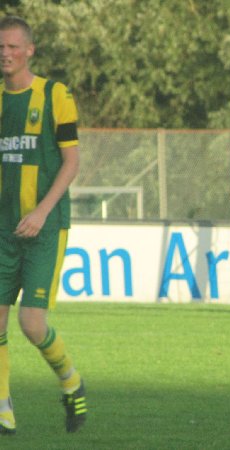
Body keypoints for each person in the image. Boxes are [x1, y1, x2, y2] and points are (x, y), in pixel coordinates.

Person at [0, 16, 87, 434]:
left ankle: (71, 381)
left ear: (29, 50)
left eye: (13, 46)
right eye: (1, 47)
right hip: (2, 229)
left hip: (46, 227)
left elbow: (71, 162)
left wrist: (40, 212)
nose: (5, 53)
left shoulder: (55, 95)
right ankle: (3, 408)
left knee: (31, 323)